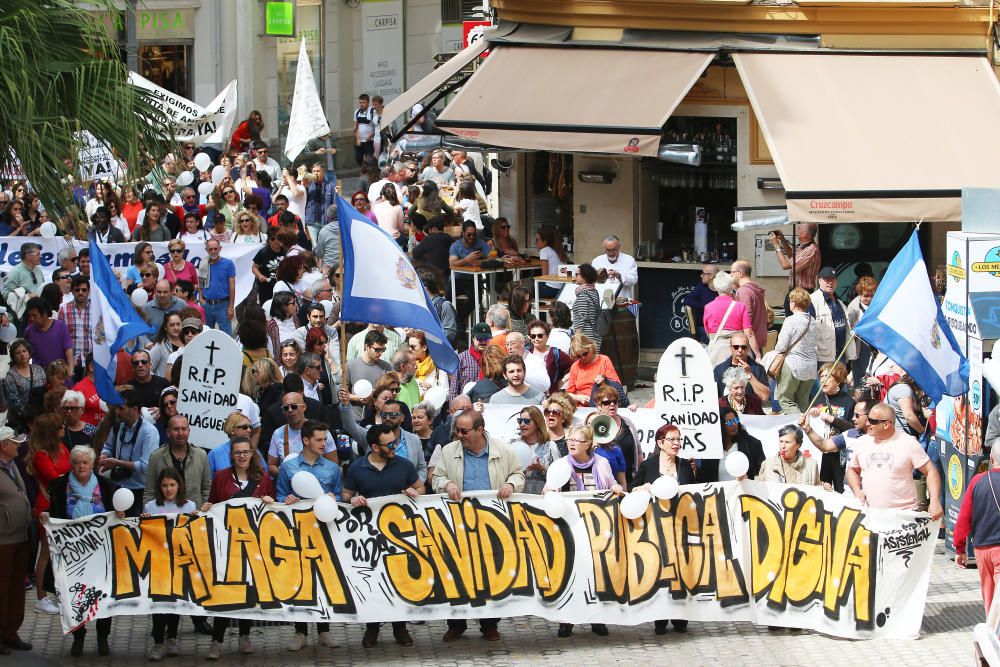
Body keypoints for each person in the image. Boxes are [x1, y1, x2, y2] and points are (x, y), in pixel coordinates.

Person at [432, 410, 524, 642]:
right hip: (457, 524)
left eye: (464, 431)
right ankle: (456, 624)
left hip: (492, 524)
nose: (458, 435)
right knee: (456, 575)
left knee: (491, 576)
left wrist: (512, 484)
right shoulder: (448, 450)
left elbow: (518, 475)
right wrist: (447, 483)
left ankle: (489, 624)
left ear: (479, 430)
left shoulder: (503, 450)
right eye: (457, 430)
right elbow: (436, 479)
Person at [341, 424, 423, 648]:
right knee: (372, 583)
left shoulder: (404, 465)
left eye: (395, 441)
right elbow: (346, 494)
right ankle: (372, 628)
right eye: (389, 444)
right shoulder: (357, 468)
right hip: (369, 539)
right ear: (375, 447)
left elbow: (420, 487)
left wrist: (414, 492)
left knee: (400, 582)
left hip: (399, 537)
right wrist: (352, 500)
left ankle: (400, 627)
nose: (394, 446)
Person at [542, 423, 618, 638]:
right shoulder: (560, 465)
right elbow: (550, 489)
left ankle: (597, 619)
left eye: (577, 441)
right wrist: (548, 490)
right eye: (569, 440)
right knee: (569, 575)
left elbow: (611, 486)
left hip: (596, 527)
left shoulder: (602, 463)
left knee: (596, 574)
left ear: (589, 444)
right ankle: (567, 620)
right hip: (568, 528)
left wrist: (616, 489)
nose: (572, 444)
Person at [43, 445, 120, 657]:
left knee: (103, 594)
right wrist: (47, 518)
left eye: (85, 462)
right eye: (76, 463)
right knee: (74, 596)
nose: (81, 466)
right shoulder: (59, 486)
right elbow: (54, 512)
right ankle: (79, 636)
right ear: (72, 465)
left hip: (100, 552)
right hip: (72, 553)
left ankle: (103, 637)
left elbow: (119, 512)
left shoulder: (107, 486)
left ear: (92, 464)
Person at [275, 419, 342, 651]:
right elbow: (280, 495)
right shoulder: (289, 468)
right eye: (319, 439)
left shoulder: (332, 468)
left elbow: (340, 498)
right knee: (300, 581)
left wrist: (336, 499)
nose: (324, 444)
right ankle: (300, 631)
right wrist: (286, 500)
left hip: (325, 532)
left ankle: (325, 630)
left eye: (325, 439)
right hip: (297, 532)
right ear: (305, 440)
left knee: (325, 580)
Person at [632, 423, 695, 634]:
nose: (677, 444)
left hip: (679, 528)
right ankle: (660, 618)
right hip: (655, 528)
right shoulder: (648, 466)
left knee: (680, 572)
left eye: (679, 439)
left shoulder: (685, 466)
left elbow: (694, 494)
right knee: (659, 571)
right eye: (672, 440)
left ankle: (680, 617)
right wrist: (643, 488)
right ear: (661, 443)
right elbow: (633, 489)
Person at [845, 403, 943, 518]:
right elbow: (852, 470)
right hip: (871, 514)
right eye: (868, 419)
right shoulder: (862, 442)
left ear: (886, 424)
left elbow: (931, 471)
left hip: (903, 516)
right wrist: (857, 491)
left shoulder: (908, 443)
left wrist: (934, 501)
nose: (867, 424)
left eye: (872, 421)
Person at [142, 468, 198, 661]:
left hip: (180, 562)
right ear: (160, 487)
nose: (169, 489)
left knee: (175, 603)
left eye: (172, 485)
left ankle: (172, 638)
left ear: (179, 485)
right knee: (159, 605)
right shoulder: (151, 507)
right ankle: (158, 642)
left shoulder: (189, 506)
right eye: (165, 485)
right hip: (158, 562)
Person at [26, 413, 68, 616]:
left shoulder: (62, 448)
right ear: (51, 431)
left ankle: (60, 593)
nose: (63, 428)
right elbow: (55, 479)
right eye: (59, 426)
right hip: (47, 507)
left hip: (62, 505)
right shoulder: (41, 455)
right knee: (46, 554)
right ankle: (41, 597)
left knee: (59, 553)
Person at [954, 446, 1000, 615]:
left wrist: (959, 548)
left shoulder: (977, 481)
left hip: (981, 549)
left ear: (992, 460)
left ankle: (992, 633)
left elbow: (964, 518)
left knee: (989, 596)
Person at [99, 388, 159, 516]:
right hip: (117, 487)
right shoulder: (117, 426)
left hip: (140, 492)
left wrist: (117, 463)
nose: (117, 412)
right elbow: (108, 447)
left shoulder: (149, 432)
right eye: (116, 408)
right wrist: (104, 456)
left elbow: (146, 466)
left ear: (135, 409)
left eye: (121, 408)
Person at [267, 393, 339, 477]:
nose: (290, 410)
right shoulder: (278, 434)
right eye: (286, 408)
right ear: (282, 411)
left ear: (304, 407)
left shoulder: (321, 431)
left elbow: (334, 466)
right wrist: (287, 475)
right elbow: (271, 465)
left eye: (294, 406)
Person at [772, 287, 817, 414]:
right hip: (811, 367)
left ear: (794, 303)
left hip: (793, 364)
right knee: (802, 402)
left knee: (786, 400)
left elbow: (781, 346)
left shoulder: (790, 320)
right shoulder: (812, 321)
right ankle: (803, 430)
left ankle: (799, 425)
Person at [590, 383, 643, 484]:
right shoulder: (592, 426)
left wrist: (640, 477)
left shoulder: (627, 423)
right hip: (603, 482)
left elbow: (638, 452)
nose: (612, 405)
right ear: (598, 406)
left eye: (615, 401)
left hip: (630, 480)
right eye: (607, 402)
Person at [704, 272, 757, 365]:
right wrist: (758, 354)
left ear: (716, 288)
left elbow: (708, 332)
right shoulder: (740, 306)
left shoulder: (708, 307)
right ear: (731, 288)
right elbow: (749, 334)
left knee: (717, 377)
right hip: (739, 350)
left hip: (717, 352)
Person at [699, 408, 765, 482]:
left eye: (735, 420)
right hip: (720, 493)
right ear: (720, 425)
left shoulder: (752, 444)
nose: (734, 424)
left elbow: (763, 472)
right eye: (729, 422)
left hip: (745, 492)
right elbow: (704, 477)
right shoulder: (711, 448)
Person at [809, 267, 855, 369]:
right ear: (819, 280)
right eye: (827, 279)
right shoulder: (812, 300)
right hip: (822, 359)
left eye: (833, 279)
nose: (830, 282)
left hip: (840, 356)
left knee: (841, 385)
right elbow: (807, 330)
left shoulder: (839, 301)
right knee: (826, 385)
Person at [713, 332, 770, 404]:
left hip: (751, 412)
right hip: (728, 412)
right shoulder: (719, 370)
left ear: (748, 348)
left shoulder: (758, 369)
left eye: (743, 347)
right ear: (731, 348)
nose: (740, 350)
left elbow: (765, 397)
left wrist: (749, 375)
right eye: (736, 347)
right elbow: (714, 398)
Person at [565, 334, 620, 407]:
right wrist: (578, 398)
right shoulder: (575, 366)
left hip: (602, 405)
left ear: (590, 348)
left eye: (585, 353)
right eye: (578, 356)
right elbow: (568, 394)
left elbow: (616, 386)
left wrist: (604, 382)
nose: (582, 358)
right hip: (581, 407)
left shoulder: (604, 360)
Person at [515, 406, 560, 494]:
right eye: (520, 421)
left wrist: (541, 469)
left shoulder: (550, 446)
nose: (522, 424)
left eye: (527, 421)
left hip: (541, 498)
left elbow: (558, 477)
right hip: (517, 498)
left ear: (537, 423)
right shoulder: (513, 445)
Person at [770, 223, 821, 299]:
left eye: (799, 228)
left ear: (805, 234)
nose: (797, 231)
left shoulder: (810, 250)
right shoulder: (803, 246)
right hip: (796, 291)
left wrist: (776, 245)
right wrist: (782, 239)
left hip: (803, 293)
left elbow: (785, 265)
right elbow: (792, 257)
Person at [3, 339, 45, 430]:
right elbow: (14, 402)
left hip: (41, 417)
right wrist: (30, 419)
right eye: (17, 352)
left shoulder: (39, 369)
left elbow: (46, 390)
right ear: (13, 357)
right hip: (21, 421)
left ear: (29, 353)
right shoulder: (11, 375)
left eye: (24, 351)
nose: (22, 354)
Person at [730, 259, 769, 355]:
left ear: (740, 274)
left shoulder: (744, 291)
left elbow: (746, 317)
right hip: (756, 338)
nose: (730, 275)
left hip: (747, 342)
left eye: (732, 272)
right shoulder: (754, 288)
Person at [24, 297, 73, 369]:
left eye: (34, 316)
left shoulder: (60, 326)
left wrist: (71, 368)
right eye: (30, 316)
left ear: (45, 313)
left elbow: (68, 349)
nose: (31, 319)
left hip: (60, 374)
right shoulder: (29, 331)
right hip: (40, 375)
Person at [526, 320, 573, 394]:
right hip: (531, 396)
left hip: (550, 396)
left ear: (547, 336)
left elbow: (575, 366)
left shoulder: (555, 353)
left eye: (540, 335)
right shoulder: (527, 353)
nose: (536, 339)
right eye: (533, 336)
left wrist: (562, 381)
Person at [200, 239, 236, 335]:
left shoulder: (228, 264)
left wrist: (231, 306)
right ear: (206, 250)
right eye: (210, 249)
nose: (213, 251)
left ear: (220, 248)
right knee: (207, 334)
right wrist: (200, 298)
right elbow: (201, 282)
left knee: (226, 335)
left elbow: (232, 286)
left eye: (215, 249)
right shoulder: (203, 262)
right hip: (206, 304)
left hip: (223, 304)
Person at [58, 276, 92, 377]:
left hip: (91, 363)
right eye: (77, 290)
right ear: (72, 291)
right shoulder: (63, 309)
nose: (81, 292)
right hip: (70, 363)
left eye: (84, 290)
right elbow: (59, 337)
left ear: (89, 291)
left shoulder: (96, 310)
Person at [591, 234, 637, 301]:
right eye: (608, 250)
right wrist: (600, 277)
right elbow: (591, 282)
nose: (611, 253)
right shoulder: (597, 261)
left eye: (614, 250)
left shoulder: (629, 260)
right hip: (602, 301)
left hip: (623, 301)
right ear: (604, 248)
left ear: (619, 247)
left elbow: (634, 280)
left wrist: (619, 276)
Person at [505, 330, 550, 396]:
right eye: (507, 344)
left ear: (522, 343)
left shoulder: (536, 361)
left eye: (512, 343)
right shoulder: (505, 363)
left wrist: (521, 375)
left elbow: (545, 386)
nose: (509, 347)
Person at [571, 263, 603, 349]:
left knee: (586, 360)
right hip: (595, 333)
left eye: (577, 274)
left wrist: (577, 336)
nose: (575, 277)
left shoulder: (583, 295)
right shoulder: (593, 291)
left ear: (584, 277)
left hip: (586, 335)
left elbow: (582, 316)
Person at [409, 331, 448, 400]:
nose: (410, 349)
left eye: (413, 347)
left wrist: (432, 389)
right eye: (409, 346)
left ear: (424, 347)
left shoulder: (438, 366)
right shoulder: (408, 366)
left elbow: (446, 394)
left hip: (431, 408)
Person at [534, 227, 568, 298]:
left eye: (537, 240)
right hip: (561, 288)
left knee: (530, 287)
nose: (535, 242)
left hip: (550, 289)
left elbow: (544, 276)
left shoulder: (544, 251)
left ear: (545, 241)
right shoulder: (559, 251)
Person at [354, 94, 376, 166]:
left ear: (368, 102)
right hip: (360, 141)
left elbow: (378, 127)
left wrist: (371, 135)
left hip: (370, 141)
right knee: (358, 159)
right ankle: (364, 171)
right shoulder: (357, 112)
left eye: (363, 102)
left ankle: (370, 174)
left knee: (369, 160)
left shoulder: (373, 112)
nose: (361, 104)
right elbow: (355, 127)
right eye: (360, 102)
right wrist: (357, 138)